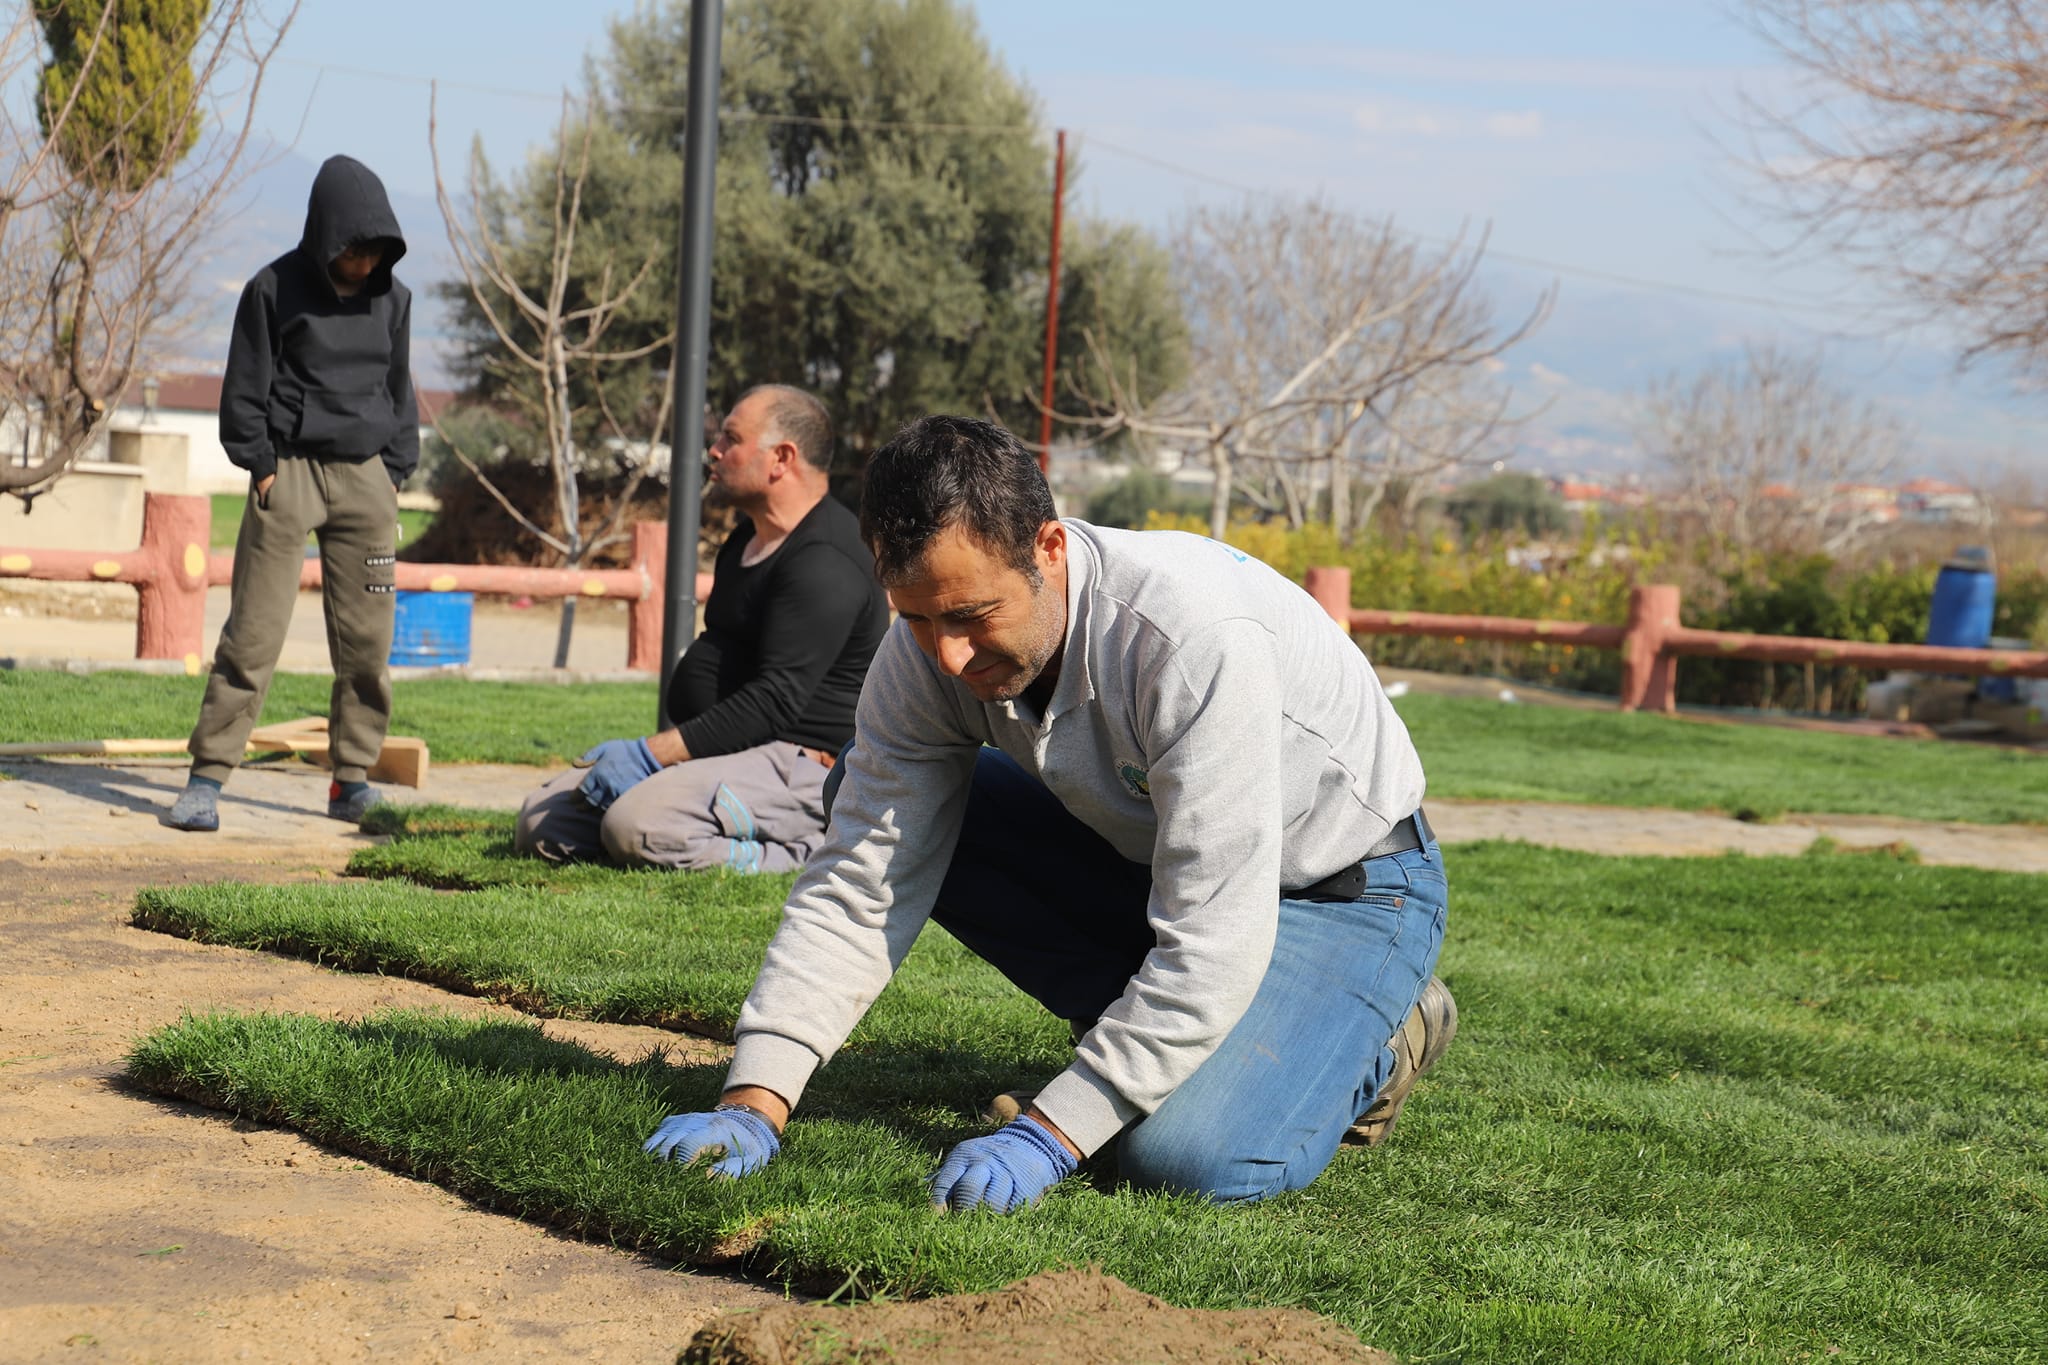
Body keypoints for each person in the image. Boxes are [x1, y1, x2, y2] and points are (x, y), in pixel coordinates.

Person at [642, 414, 1457, 1212]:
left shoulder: (1191, 641)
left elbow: (1217, 937)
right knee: (872, 786)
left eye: (970, 615)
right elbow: (863, 874)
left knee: (1183, 1157)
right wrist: (754, 1098)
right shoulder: (922, 652)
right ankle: (1152, 1044)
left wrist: (1052, 1132)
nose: (947, 655)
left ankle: (1375, 1043)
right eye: (917, 617)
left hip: (1343, 886)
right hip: (1157, 865)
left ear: (1049, 548)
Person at [514, 384, 890, 872]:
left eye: (730, 439)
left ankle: (804, 850)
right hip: (725, 752)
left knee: (636, 825)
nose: (714, 451)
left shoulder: (826, 560)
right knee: (544, 823)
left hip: (796, 763)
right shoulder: (747, 540)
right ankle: (673, 821)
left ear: (781, 458)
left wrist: (651, 755)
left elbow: (774, 702)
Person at [165, 154, 417, 833]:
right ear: (327, 235)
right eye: (353, 249)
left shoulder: (395, 300)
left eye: (374, 252)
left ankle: (353, 780)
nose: (363, 263)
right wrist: (260, 462)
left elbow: (400, 388)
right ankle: (207, 778)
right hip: (290, 472)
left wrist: (396, 466)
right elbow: (244, 386)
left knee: (369, 642)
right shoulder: (272, 288)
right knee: (252, 633)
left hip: (367, 480)